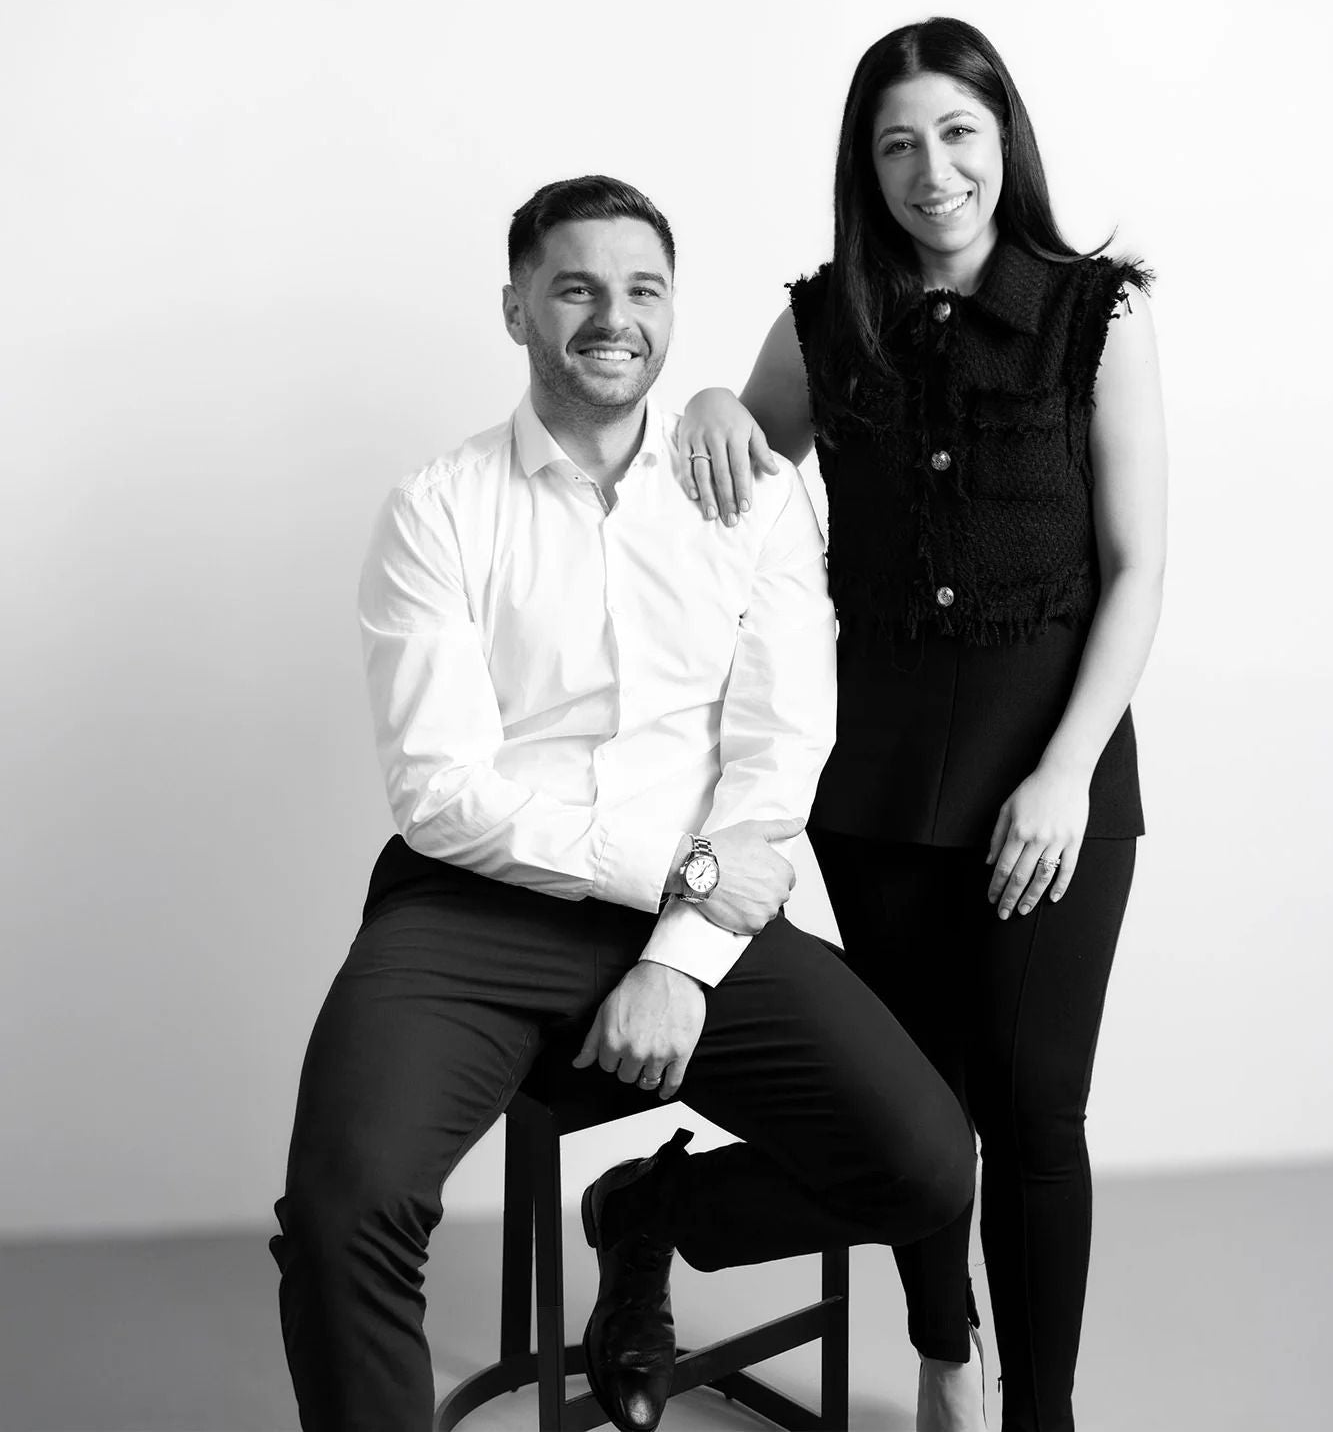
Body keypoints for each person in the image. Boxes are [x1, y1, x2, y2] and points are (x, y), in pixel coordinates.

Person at [267, 174, 975, 1432]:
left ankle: (647, 1219)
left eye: (643, 289)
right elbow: (442, 794)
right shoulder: (438, 508)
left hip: (702, 908)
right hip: (473, 913)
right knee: (342, 1210)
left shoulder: (750, 495)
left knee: (925, 1161)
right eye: (576, 287)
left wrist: (686, 955)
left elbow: (780, 747)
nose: (614, 316)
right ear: (515, 308)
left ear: (670, 310)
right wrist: (682, 882)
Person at [678, 17, 1168, 1432]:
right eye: (896, 144)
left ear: (1003, 136)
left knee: (1033, 1110)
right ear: (865, 166)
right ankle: (943, 1346)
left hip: (1054, 767)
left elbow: (1137, 568)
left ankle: (1043, 1411)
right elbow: (743, 463)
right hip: (876, 776)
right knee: (917, 1112)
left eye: (956, 132)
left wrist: (1068, 773)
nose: (931, 168)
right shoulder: (825, 320)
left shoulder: (1098, 312)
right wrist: (712, 390)